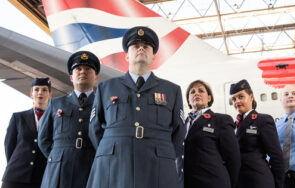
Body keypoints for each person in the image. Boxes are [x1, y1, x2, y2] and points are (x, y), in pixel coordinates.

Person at [87, 26, 186, 188]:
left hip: (157, 167)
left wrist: (164, 154)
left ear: (154, 56)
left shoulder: (172, 90)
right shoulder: (106, 88)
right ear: (126, 56)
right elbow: (95, 127)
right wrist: (113, 148)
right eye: (135, 46)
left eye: (146, 46)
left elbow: (179, 130)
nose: (141, 48)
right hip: (114, 165)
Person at [38, 51, 100, 188]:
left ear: (95, 77)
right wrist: (58, 157)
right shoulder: (55, 104)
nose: (83, 72)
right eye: (78, 69)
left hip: (90, 168)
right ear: (71, 77)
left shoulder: (102, 105)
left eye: (88, 69)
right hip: (59, 170)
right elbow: (43, 139)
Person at [184, 80, 241, 188]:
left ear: (209, 98)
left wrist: (230, 184)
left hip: (213, 182)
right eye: (192, 92)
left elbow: (233, 158)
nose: (196, 93)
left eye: (201, 91)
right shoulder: (182, 124)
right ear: (188, 100)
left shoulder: (220, 120)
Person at [230, 79, 284, 188]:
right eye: (234, 99)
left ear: (251, 97)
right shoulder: (233, 125)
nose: (237, 102)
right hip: (240, 182)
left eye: (241, 97)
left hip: (259, 180)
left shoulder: (262, 120)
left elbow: (276, 156)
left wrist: (279, 185)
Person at [2, 78, 52, 188]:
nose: (40, 92)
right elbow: (9, 146)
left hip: (40, 178)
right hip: (15, 176)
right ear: (31, 94)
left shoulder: (55, 120)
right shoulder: (18, 117)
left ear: (50, 95)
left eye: (44, 90)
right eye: (36, 89)